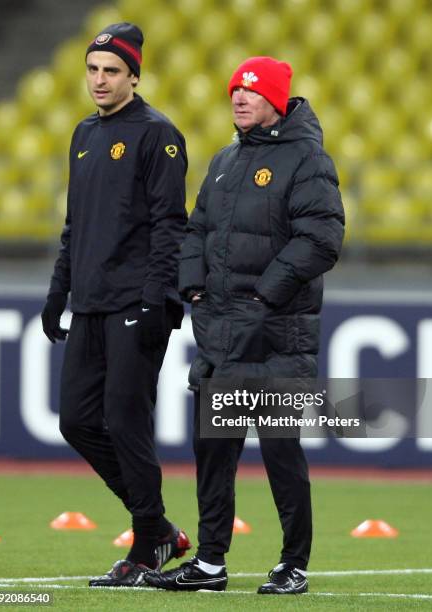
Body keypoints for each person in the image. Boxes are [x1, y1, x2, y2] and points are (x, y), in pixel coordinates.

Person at [145, 56, 344, 595]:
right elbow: (197, 229)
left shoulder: (307, 158)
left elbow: (322, 238)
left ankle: (293, 564)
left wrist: (264, 293)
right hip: (224, 336)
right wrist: (192, 286)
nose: (239, 98)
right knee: (214, 452)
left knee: (281, 452)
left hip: (279, 335)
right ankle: (211, 563)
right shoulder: (226, 160)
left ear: (276, 100)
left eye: (251, 92)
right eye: (235, 90)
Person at [41, 22, 191, 587]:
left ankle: (146, 544)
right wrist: (59, 293)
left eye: (112, 71)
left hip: (136, 302)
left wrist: (157, 302)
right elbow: (74, 225)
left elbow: (168, 228)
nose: (99, 80)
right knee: (78, 420)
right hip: (91, 304)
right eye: (93, 70)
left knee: (126, 422)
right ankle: (158, 530)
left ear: (134, 75)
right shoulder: (83, 133)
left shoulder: (158, 134)